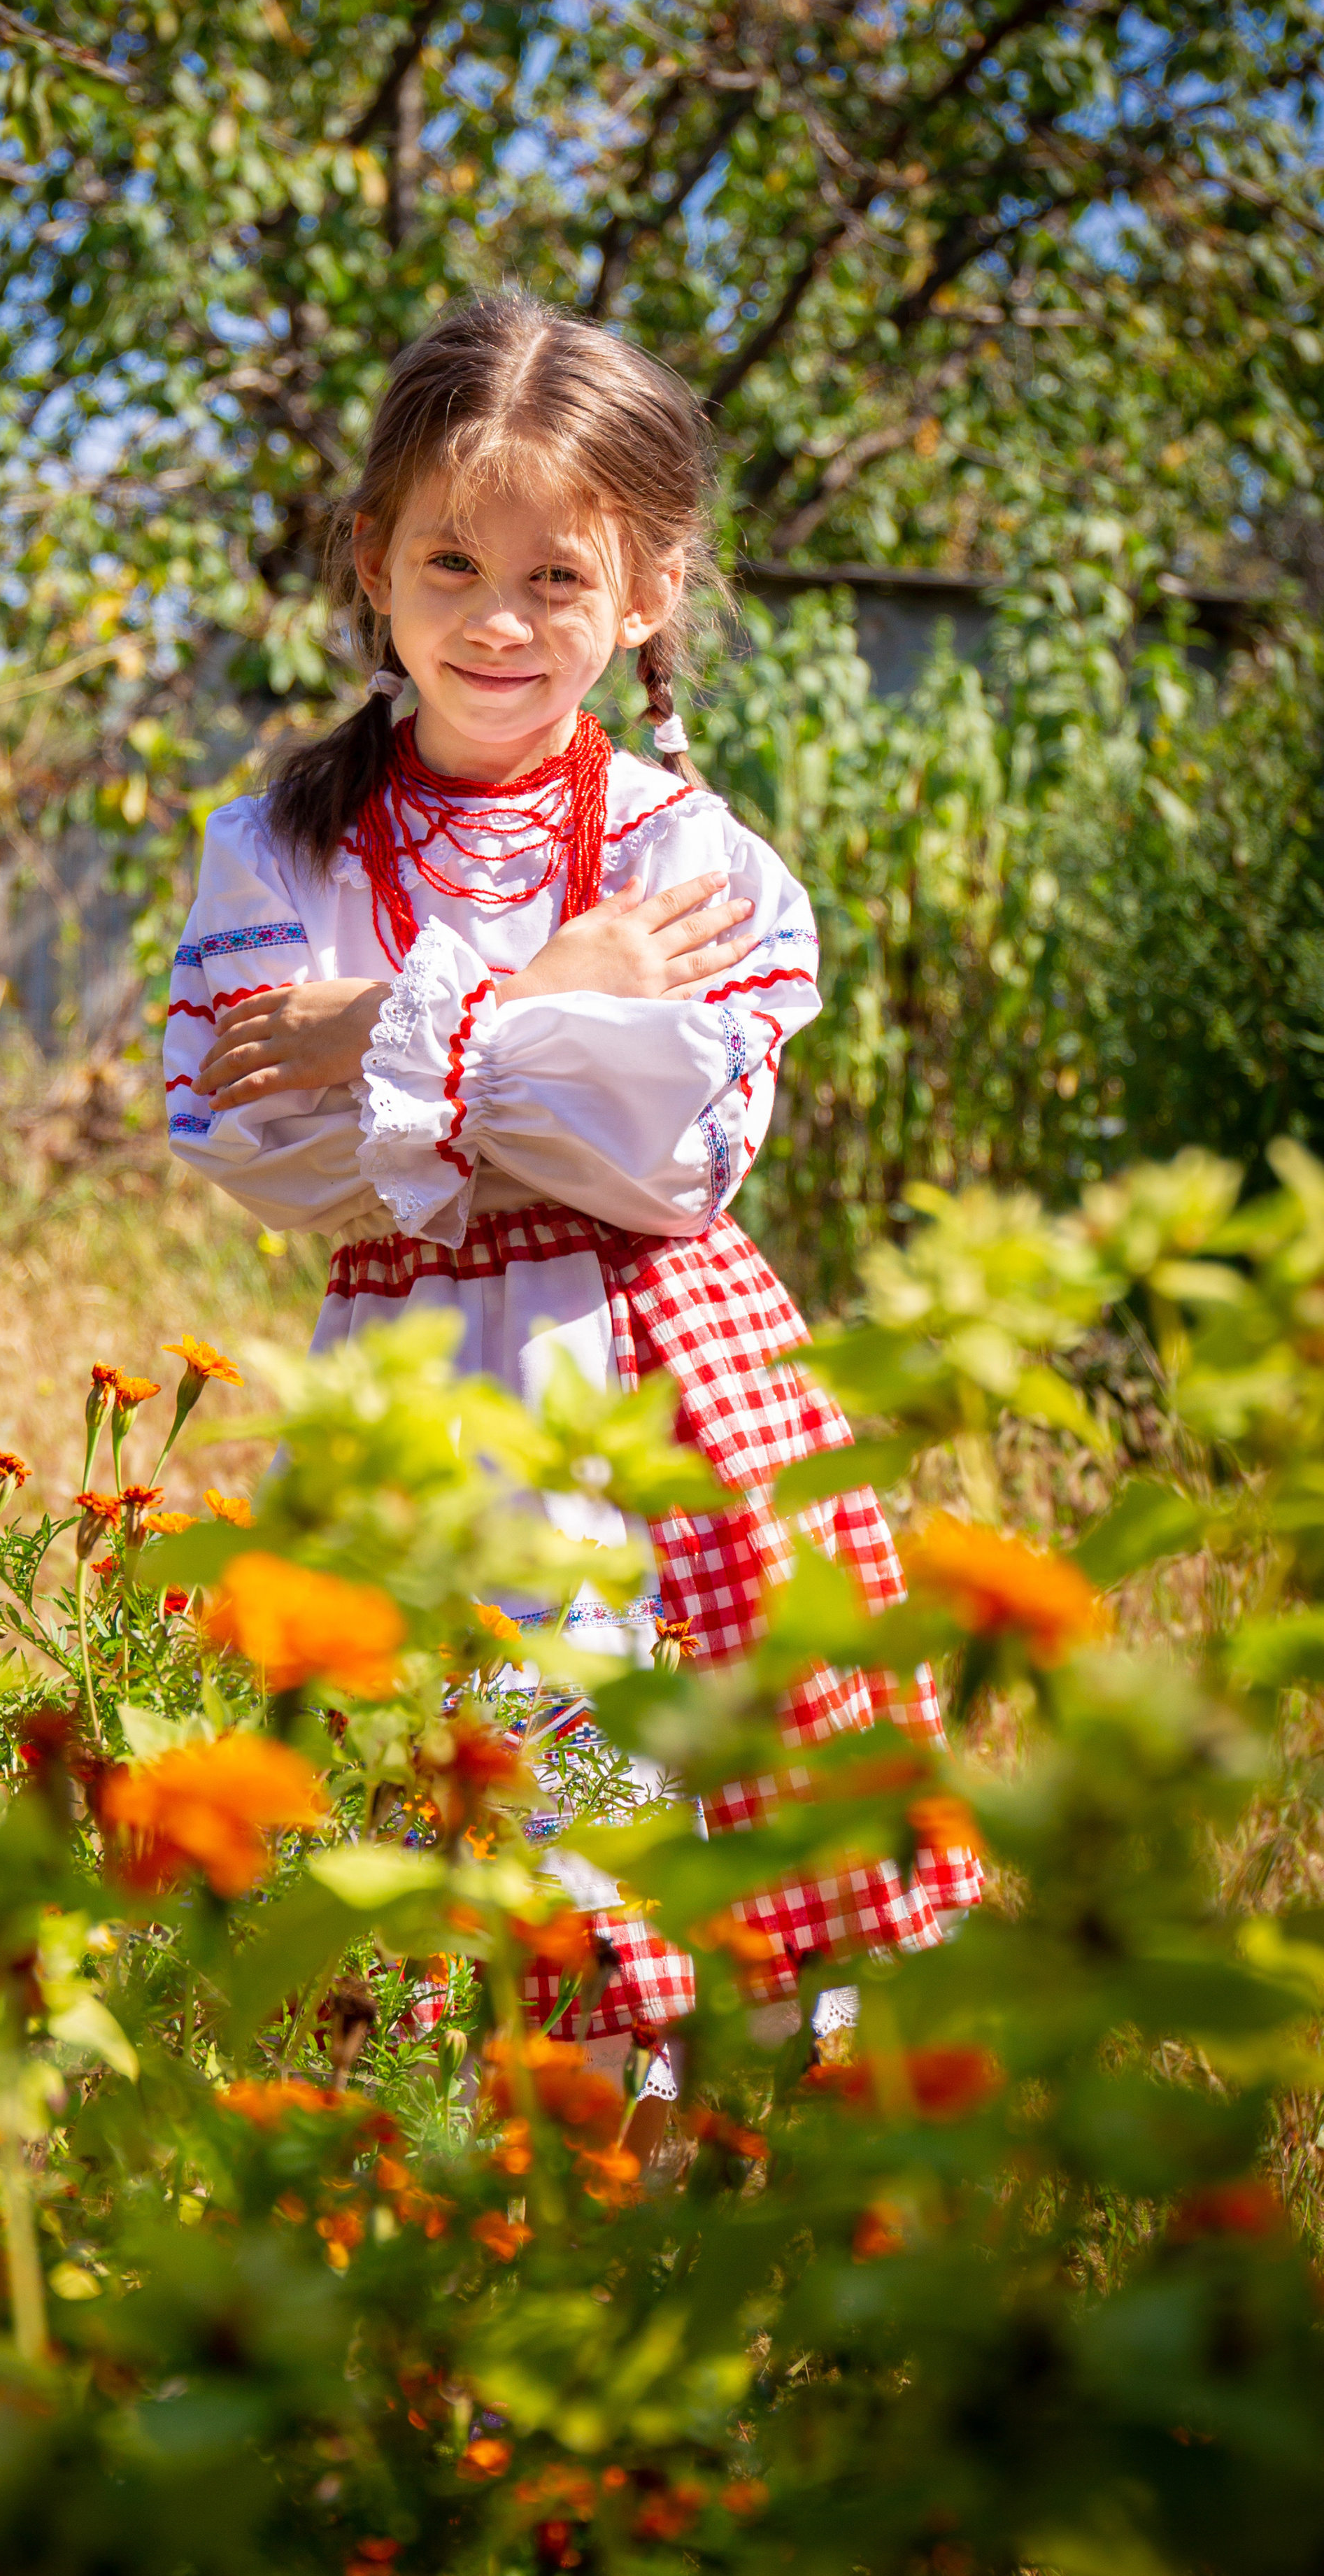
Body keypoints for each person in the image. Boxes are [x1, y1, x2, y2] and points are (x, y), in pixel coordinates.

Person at [162, 296, 980, 2130]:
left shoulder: (697, 864)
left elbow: (669, 1157)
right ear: (373, 562)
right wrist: (548, 999)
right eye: (452, 559)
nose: (501, 618)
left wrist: (392, 1029)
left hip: (655, 1383)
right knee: (436, 1820)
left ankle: (692, 2249)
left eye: (559, 573)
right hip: (409, 1381)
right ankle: (467, 2249)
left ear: (651, 590)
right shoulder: (276, 851)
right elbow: (232, 1125)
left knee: (676, 1832)